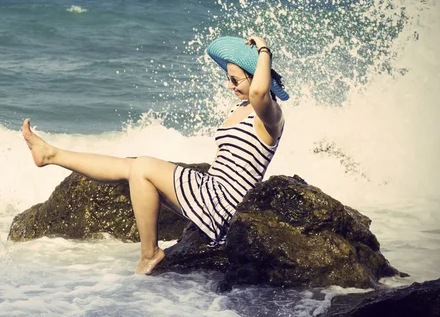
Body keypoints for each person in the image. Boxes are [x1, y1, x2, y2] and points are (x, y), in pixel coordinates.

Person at [22, 36, 289, 275]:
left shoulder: (270, 115)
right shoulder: (240, 107)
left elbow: (259, 92)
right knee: (131, 167)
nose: (230, 86)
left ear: (256, 76)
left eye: (235, 80)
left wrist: (264, 49)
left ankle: (150, 254)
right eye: (228, 79)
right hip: (211, 191)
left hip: (225, 204)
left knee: (142, 168)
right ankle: (51, 155)